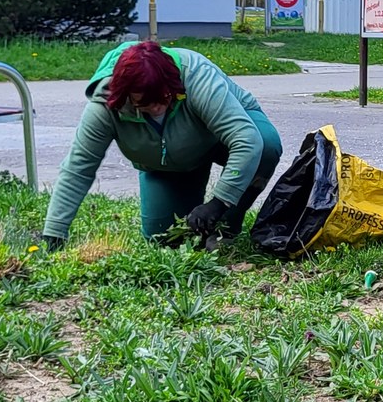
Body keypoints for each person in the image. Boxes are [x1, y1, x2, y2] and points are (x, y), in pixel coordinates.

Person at [39, 40, 282, 248]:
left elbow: (246, 140)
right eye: (147, 102)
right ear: (126, 96)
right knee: (165, 241)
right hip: (168, 165)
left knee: (265, 145)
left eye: (165, 98)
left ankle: (226, 227)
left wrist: (220, 203)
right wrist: (54, 232)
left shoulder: (196, 77)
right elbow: (78, 168)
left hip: (217, 138)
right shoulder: (105, 106)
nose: (158, 107)